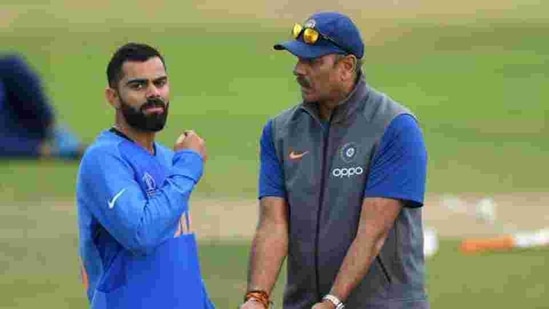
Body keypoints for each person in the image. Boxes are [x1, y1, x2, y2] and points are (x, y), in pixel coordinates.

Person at [242, 11, 429, 309]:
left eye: (313, 62)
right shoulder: (279, 132)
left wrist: (333, 301)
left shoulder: (394, 127)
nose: (299, 70)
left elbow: (373, 234)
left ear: (346, 66)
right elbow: (273, 223)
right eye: (298, 59)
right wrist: (257, 296)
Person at [76, 42, 215, 308]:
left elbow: (179, 254)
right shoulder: (104, 159)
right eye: (138, 86)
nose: (153, 93)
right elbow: (142, 233)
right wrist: (188, 164)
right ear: (112, 96)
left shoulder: (165, 158)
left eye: (160, 83)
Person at [0, 53, 85, 159]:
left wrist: (51, 127)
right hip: (11, 138)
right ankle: (51, 148)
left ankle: (55, 132)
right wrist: (40, 150)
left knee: (12, 65)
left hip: (28, 122)